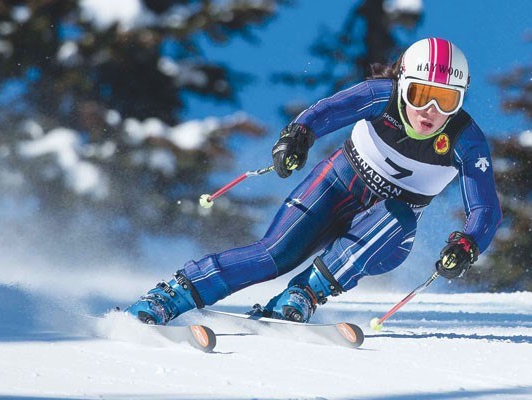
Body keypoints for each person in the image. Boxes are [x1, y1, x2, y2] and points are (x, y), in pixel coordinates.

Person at [125, 37, 502, 325]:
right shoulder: (380, 97)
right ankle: (174, 295)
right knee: (274, 255)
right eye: (421, 94)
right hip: (337, 185)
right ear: (402, 84)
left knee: (398, 215)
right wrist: (297, 137)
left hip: (385, 236)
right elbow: (326, 112)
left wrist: (468, 243)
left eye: (446, 101)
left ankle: (304, 293)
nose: (430, 112)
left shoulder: (466, 141)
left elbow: (485, 209)